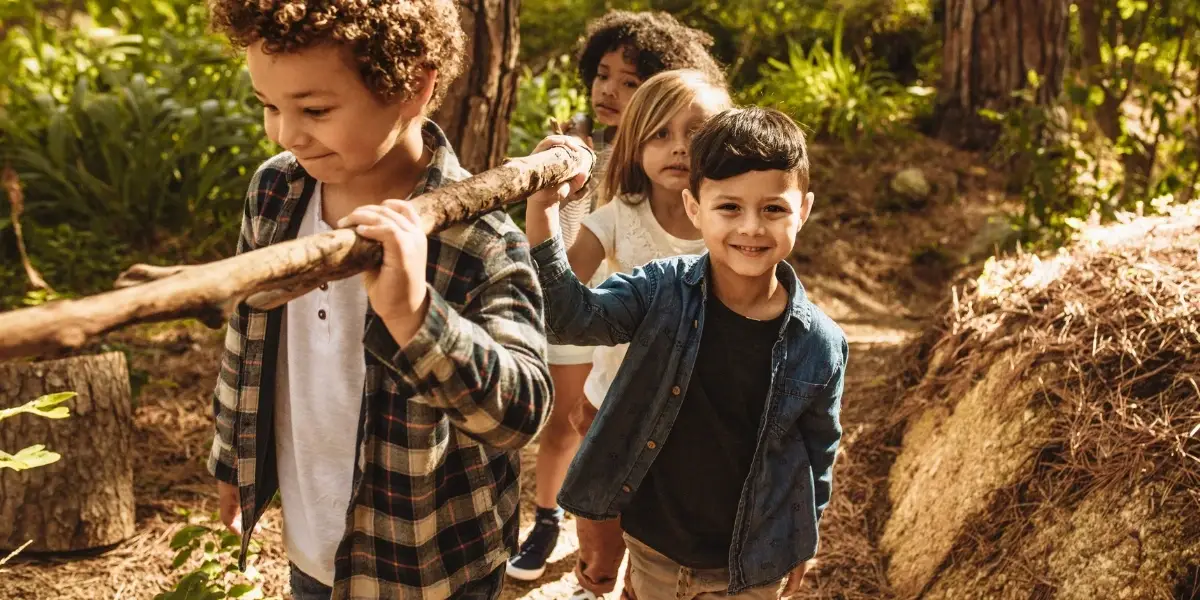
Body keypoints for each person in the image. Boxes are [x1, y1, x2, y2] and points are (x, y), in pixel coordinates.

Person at [203, 0, 555, 597]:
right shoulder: (275, 192)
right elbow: (248, 332)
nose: (288, 133)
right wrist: (235, 460)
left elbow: (522, 414)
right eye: (269, 106)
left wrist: (415, 315)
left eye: (314, 109)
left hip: (430, 562)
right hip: (313, 546)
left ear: (413, 87)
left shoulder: (480, 240)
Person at [525, 106, 847, 599]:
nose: (752, 228)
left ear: (802, 210)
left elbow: (817, 450)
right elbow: (571, 318)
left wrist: (803, 539)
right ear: (695, 208)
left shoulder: (820, 343)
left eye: (773, 209)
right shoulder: (660, 291)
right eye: (730, 207)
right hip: (654, 547)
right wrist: (543, 211)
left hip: (751, 564)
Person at [509, 8, 727, 591]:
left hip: (688, 404)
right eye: (603, 74)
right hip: (607, 375)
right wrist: (549, 200)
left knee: (658, 526)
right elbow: (564, 283)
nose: (610, 90)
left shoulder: (726, 216)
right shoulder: (593, 170)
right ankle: (564, 533)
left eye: (630, 81)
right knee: (593, 502)